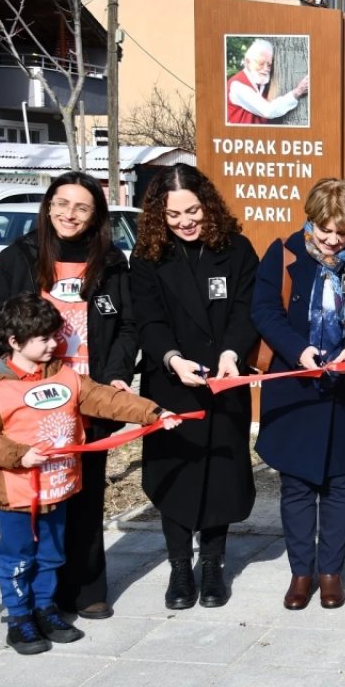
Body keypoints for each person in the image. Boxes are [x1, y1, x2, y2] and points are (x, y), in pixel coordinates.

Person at [0, 293, 180, 654]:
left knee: (52, 555)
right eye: (44, 339)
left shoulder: (67, 377)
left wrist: (154, 412)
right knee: (19, 557)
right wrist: (19, 455)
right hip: (16, 494)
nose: (55, 344)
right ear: (14, 342)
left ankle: (45, 609)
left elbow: (106, 399)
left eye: (55, 336)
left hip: (58, 488)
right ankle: (19, 619)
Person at [0, 171, 138, 621]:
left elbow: (126, 327)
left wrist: (118, 376)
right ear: (48, 206)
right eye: (62, 203)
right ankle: (41, 598)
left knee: (85, 493)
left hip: (87, 394)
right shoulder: (18, 256)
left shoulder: (112, 262)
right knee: (42, 497)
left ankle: (87, 589)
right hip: (30, 400)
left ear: (95, 215)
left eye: (82, 207)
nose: (70, 214)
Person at [130, 165, 260, 610]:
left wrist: (231, 354)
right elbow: (148, 319)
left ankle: (213, 566)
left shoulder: (237, 250)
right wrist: (172, 359)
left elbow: (246, 311)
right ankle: (180, 567)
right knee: (177, 476)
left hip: (225, 380)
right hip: (172, 384)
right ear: (158, 216)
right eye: (173, 215)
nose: (186, 222)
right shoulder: (147, 257)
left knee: (221, 476)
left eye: (193, 211)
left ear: (208, 205)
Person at [251, 178, 345, 610]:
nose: (332, 240)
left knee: (340, 485)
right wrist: (298, 349)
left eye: (341, 233)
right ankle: (301, 573)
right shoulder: (284, 254)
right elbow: (265, 311)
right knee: (297, 486)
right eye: (325, 230)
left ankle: (331, 572)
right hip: (295, 387)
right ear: (310, 221)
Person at [226, 38, 309, 125]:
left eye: (269, 65)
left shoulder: (261, 82)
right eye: (261, 64)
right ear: (248, 62)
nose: (266, 69)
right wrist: (297, 92)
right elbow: (268, 111)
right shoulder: (237, 86)